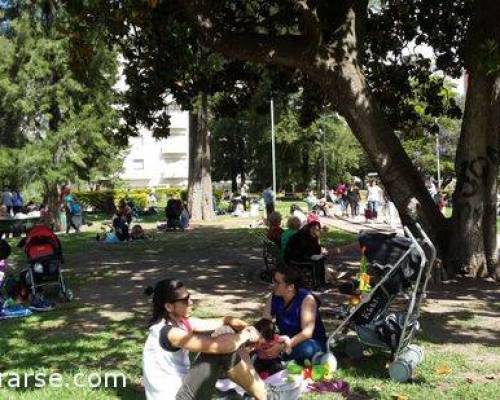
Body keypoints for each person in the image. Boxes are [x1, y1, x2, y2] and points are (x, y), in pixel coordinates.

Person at [142, 279, 267, 400]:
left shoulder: (181, 323)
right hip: (176, 397)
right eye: (185, 300)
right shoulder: (169, 333)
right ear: (169, 307)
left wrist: (248, 329)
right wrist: (246, 335)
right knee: (223, 347)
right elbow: (221, 347)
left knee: (230, 335)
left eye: (189, 297)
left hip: (183, 390)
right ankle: (265, 395)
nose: (191, 303)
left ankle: (262, 391)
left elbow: (226, 321)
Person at [260, 267, 327, 365]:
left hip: (309, 341)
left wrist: (282, 347)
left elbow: (307, 333)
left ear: (290, 287)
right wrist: (263, 339)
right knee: (262, 346)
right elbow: (265, 320)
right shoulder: (274, 296)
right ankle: (279, 358)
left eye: (277, 283)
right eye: (273, 281)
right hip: (285, 340)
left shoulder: (307, 299)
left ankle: (280, 358)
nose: (272, 285)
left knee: (306, 350)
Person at [284, 221, 327, 286]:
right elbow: (303, 250)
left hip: (301, 256)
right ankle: (316, 283)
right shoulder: (302, 235)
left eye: (317, 230)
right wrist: (313, 255)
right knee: (314, 263)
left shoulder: (312, 236)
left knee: (321, 260)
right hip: (293, 258)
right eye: (313, 229)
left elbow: (316, 251)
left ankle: (321, 282)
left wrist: (318, 239)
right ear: (309, 228)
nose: (314, 231)